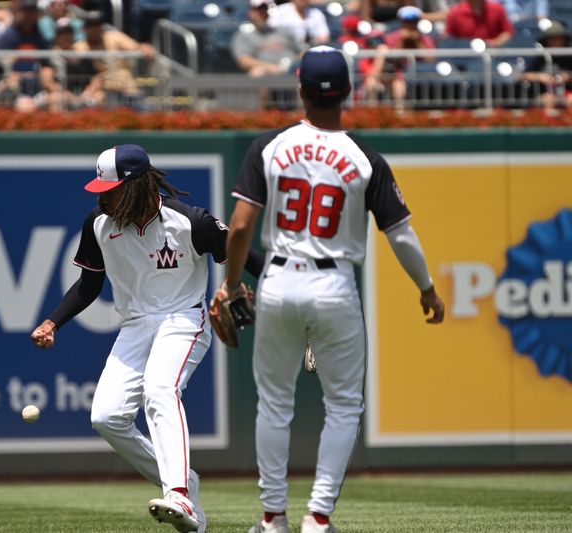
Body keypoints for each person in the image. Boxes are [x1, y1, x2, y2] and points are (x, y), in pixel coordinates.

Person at [222, 46, 445, 533]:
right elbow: (400, 234)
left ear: (299, 88)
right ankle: (318, 519)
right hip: (334, 283)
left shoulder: (270, 146)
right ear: (347, 92)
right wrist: (426, 288)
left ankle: (272, 518)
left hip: (279, 278)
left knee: (274, 403)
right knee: (343, 405)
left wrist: (232, 283)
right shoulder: (365, 158)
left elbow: (239, 229)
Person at [30, 144, 264, 533]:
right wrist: (53, 322)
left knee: (160, 390)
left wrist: (282, 292)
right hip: (135, 325)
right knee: (106, 417)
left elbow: (250, 257)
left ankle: (178, 495)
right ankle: (183, 483)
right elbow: (90, 284)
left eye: (110, 189)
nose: (102, 196)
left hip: (183, 318)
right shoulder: (99, 224)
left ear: (135, 186)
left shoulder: (189, 221)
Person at [73, 10, 156, 107]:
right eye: (90, 26)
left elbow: (137, 47)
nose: (95, 29)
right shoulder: (80, 46)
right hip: (102, 90)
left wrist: (145, 47)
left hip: (128, 88)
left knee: (145, 114)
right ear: (84, 29)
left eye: (97, 25)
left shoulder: (114, 36)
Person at [365, 6, 435, 109]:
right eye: (407, 21)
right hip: (395, 74)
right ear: (401, 21)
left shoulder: (424, 39)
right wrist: (402, 41)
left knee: (399, 86)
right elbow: (390, 58)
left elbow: (430, 60)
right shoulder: (392, 37)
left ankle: (401, 117)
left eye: (414, 21)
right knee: (374, 82)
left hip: (415, 75)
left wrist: (417, 42)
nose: (410, 24)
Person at [231, 0, 304, 78]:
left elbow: (302, 51)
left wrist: (296, 63)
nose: (262, 13)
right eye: (258, 10)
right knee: (257, 72)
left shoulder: (283, 31)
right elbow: (244, 60)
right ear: (251, 12)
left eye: (265, 9)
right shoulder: (244, 35)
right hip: (267, 72)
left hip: (292, 69)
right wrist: (270, 67)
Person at [520, 20, 572, 113]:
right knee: (548, 100)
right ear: (546, 41)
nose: (555, 41)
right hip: (545, 93)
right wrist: (540, 77)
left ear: (564, 40)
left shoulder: (569, 56)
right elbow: (522, 75)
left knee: (570, 100)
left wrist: (567, 77)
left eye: (558, 38)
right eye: (552, 38)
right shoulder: (540, 57)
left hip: (567, 93)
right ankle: (549, 125)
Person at [445, 0, 513, 47]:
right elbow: (449, 37)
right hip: (466, 59)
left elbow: (507, 32)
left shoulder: (497, 9)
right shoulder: (456, 13)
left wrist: (495, 43)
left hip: (493, 55)